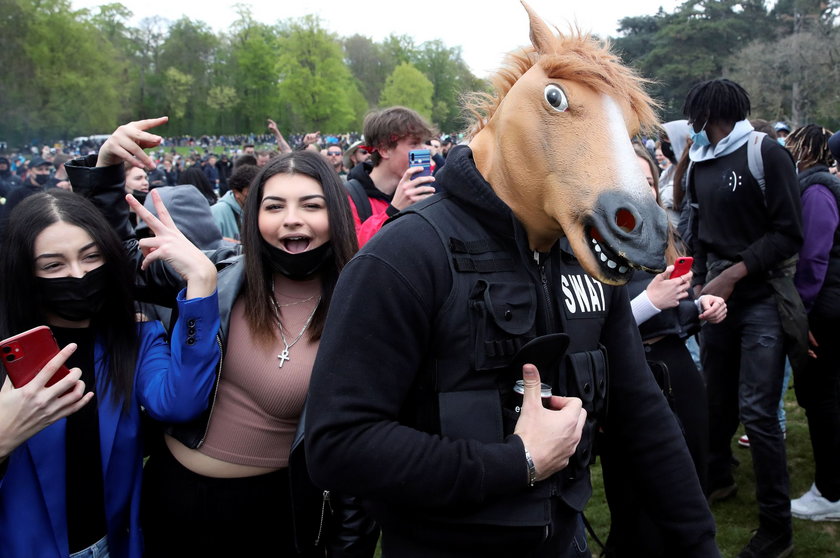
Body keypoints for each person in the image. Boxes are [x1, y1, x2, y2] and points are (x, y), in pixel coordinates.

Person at [306, 12, 718, 557]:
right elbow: (338, 444)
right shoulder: (404, 258)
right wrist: (515, 463)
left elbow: (643, 415)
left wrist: (700, 544)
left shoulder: (581, 259)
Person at [70, 116, 375, 557]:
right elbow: (114, 266)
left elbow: (359, 456)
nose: (291, 220)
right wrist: (104, 170)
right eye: (273, 207)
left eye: (311, 205)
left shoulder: (360, 306)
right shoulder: (221, 272)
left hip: (270, 517)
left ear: (336, 212)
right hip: (171, 499)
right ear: (253, 215)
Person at [0, 187, 221, 558]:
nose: (79, 274)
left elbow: (180, 404)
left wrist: (201, 281)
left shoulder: (133, 337)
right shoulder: (11, 353)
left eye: (92, 256)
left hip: (111, 545)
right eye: (53, 265)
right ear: (24, 272)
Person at [682, 79, 802, 558]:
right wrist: (694, 277)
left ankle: (778, 528)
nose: (695, 124)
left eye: (698, 115)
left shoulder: (766, 153)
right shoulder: (700, 161)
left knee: (758, 410)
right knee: (714, 398)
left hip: (762, 299)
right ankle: (718, 478)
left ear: (710, 113)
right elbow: (700, 230)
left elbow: (789, 233)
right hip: (717, 299)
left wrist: (732, 275)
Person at [601, 144, 727, 557]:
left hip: (678, 367)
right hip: (630, 374)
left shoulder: (667, 233)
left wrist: (702, 306)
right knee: (635, 500)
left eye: (651, 181)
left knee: (690, 477)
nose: (647, 190)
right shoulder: (595, 242)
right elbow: (597, 327)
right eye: (634, 181)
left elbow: (676, 311)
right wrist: (650, 301)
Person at [785, 124, 840, 521]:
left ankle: (830, 492)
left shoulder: (816, 190)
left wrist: (800, 313)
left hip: (825, 311)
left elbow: (814, 259)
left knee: (822, 398)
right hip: (829, 303)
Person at [344, 106, 437, 246]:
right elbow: (353, 250)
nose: (424, 151)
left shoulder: (419, 191)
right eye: (414, 144)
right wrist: (393, 211)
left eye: (423, 143)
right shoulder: (348, 197)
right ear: (384, 150)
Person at [210, 162, 258, 241]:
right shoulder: (216, 212)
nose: (257, 195)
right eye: (251, 191)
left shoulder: (260, 209)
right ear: (236, 193)